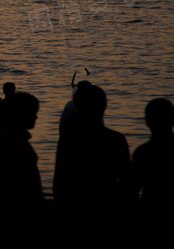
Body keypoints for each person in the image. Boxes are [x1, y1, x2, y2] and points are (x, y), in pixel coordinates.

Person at [53, 85, 129, 244]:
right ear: (103, 107)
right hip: (106, 206)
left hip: (75, 205)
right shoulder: (115, 139)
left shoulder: (69, 139)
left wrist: (59, 210)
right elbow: (127, 184)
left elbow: (59, 179)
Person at [129, 98, 174, 244]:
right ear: (173, 121)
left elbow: (132, 190)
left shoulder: (143, 152)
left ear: (147, 122)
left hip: (154, 215)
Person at [0, 92, 43, 246]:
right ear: (21, 113)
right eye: (33, 113)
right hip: (16, 212)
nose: (36, 117)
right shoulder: (12, 141)